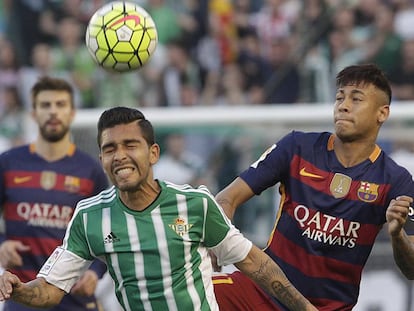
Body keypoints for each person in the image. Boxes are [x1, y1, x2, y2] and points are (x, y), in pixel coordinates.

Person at [0, 106, 318, 311]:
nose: (120, 155)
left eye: (130, 145)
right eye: (110, 148)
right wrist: (17, 289)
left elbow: (253, 262)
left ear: (153, 153)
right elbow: (50, 290)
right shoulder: (89, 217)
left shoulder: (194, 204)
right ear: (102, 160)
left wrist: (305, 310)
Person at [212, 63, 414, 310]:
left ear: (382, 113)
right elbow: (226, 199)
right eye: (339, 97)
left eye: (356, 99)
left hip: (325, 308)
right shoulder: (296, 148)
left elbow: (412, 269)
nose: (343, 105)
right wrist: (216, 238)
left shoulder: (396, 181)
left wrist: (397, 236)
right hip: (260, 293)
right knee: (188, 295)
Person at [0, 76, 110, 311]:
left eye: (60, 105)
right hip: (23, 295)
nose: (53, 112)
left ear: (72, 113)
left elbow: (108, 231)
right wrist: (1, 246)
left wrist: (95, 272)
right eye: (45, 105)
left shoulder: (90, 170)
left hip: (75, 297)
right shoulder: (8, 163)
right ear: (33, 113)